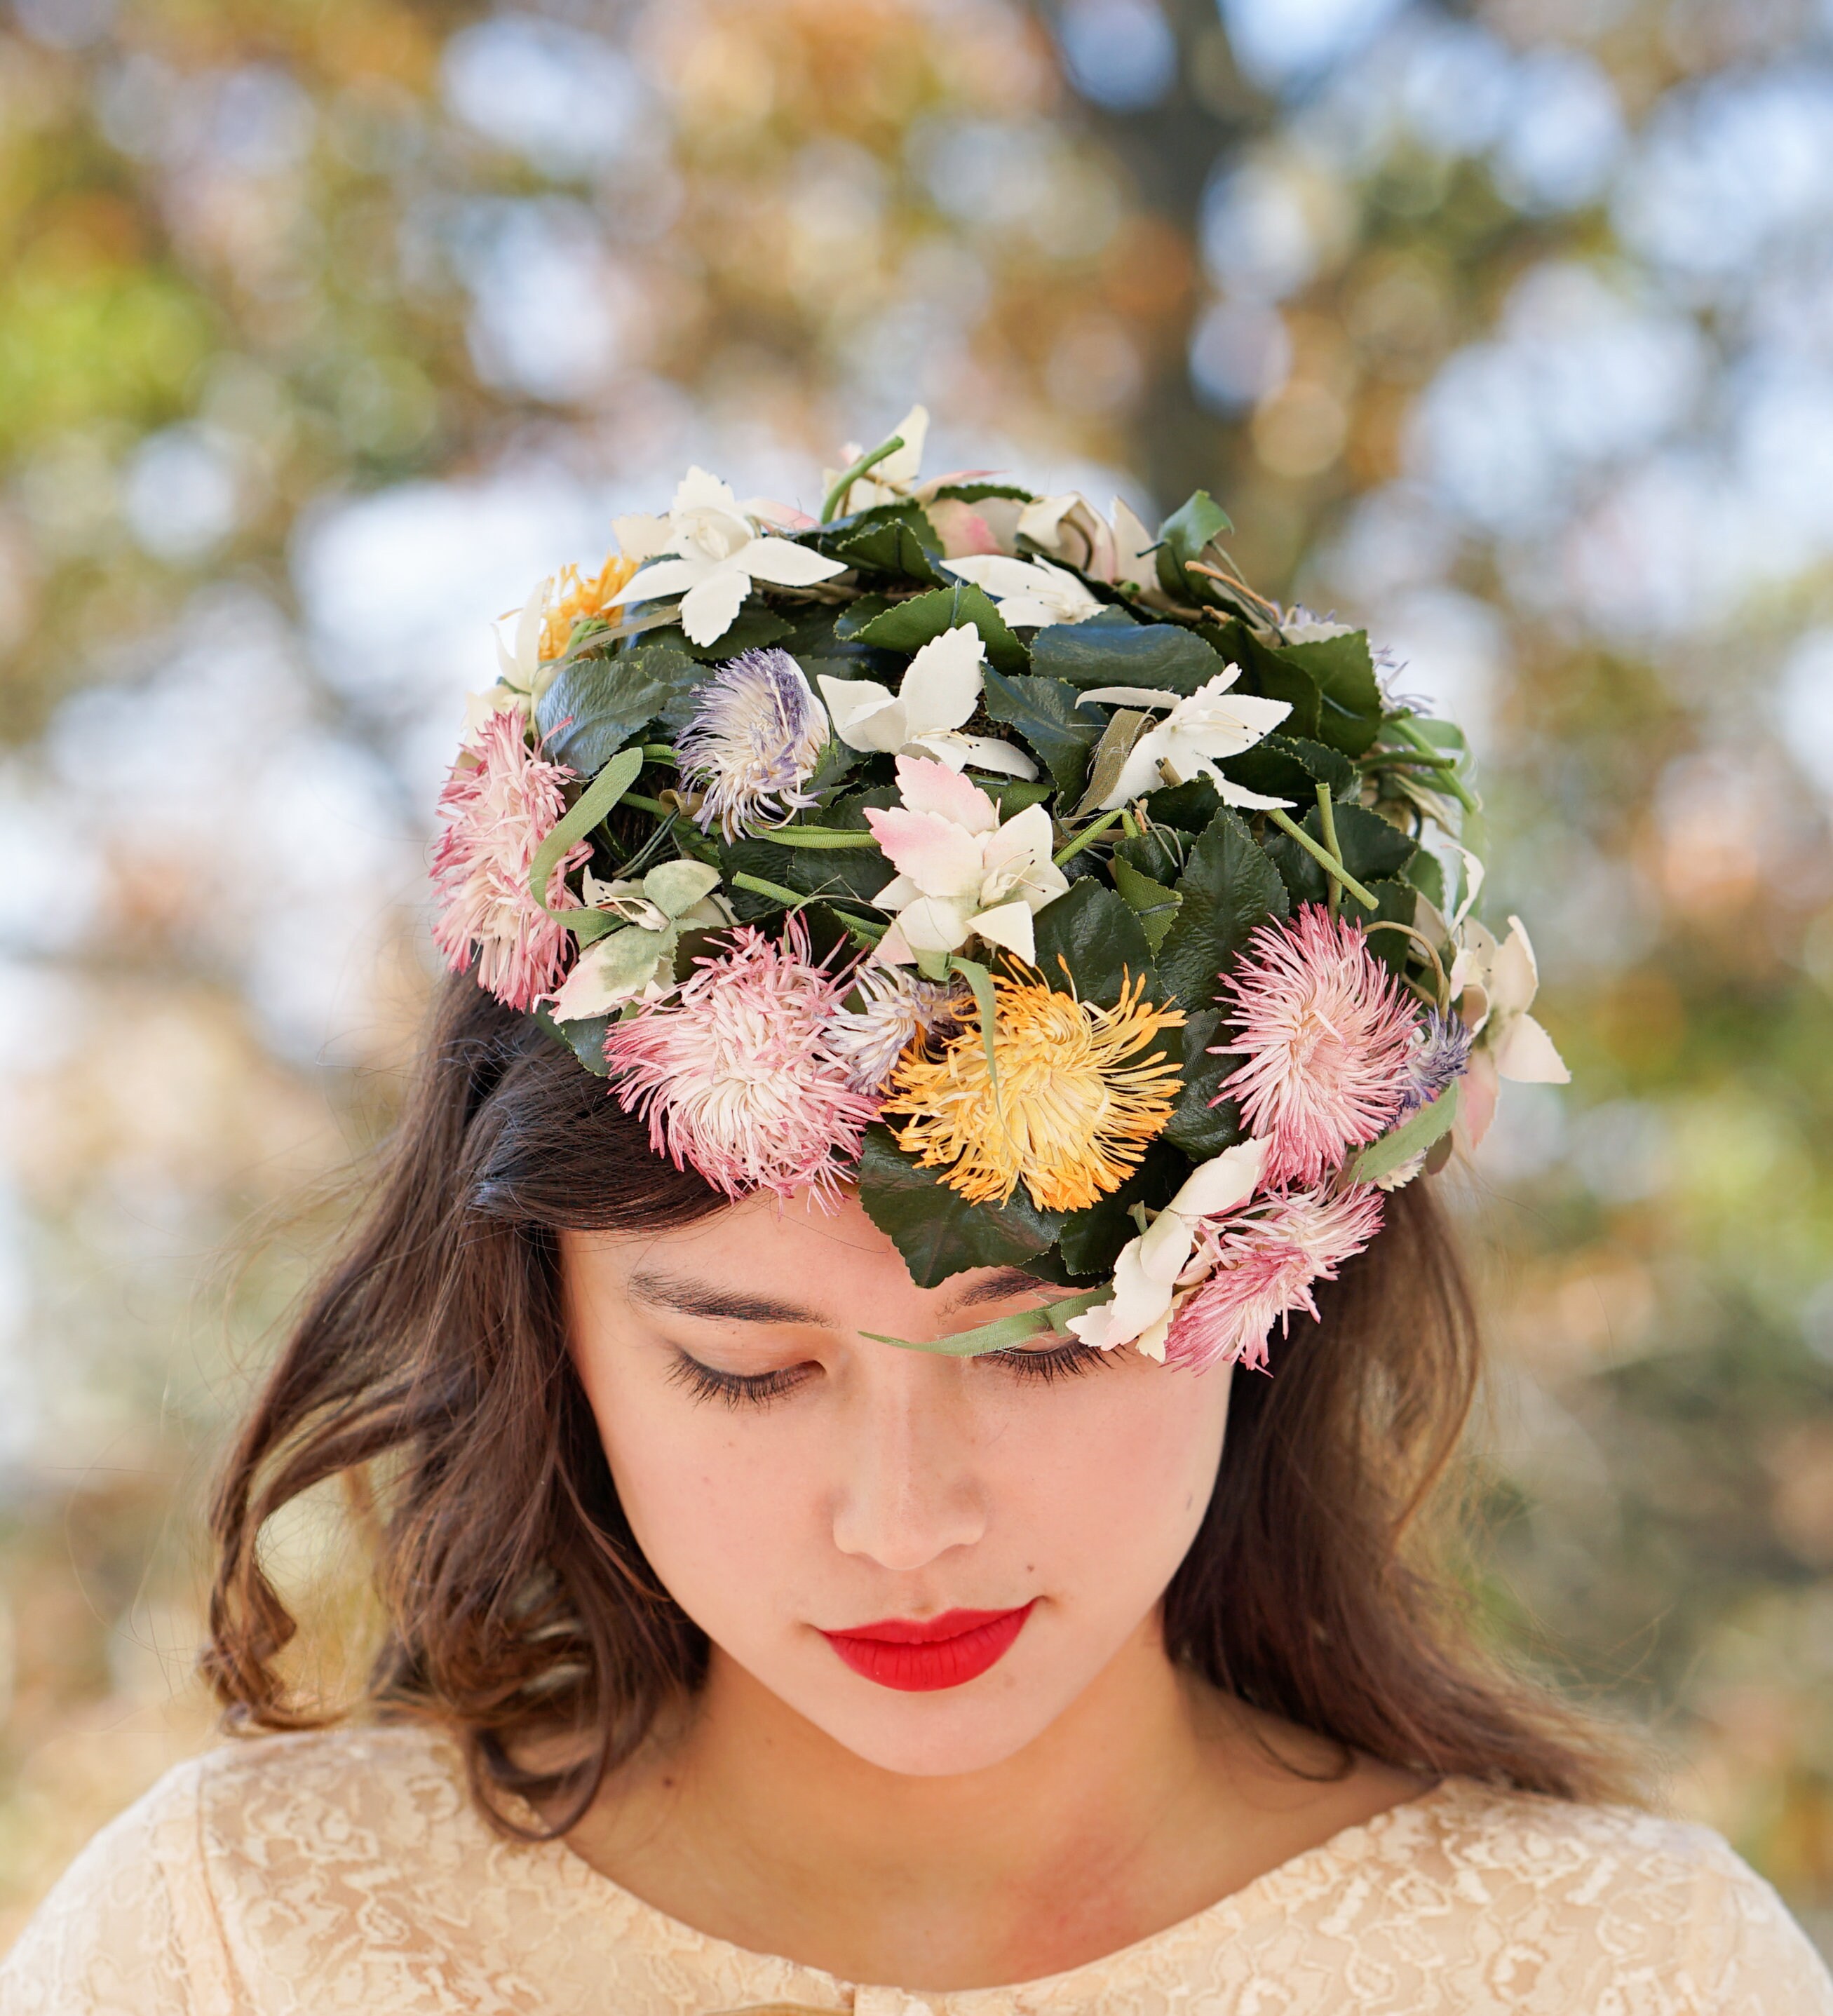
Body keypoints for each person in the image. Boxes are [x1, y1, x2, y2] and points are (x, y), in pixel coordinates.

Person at [5, 436, 1829, 2012]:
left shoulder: (1629, 1968)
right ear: (551, 1322)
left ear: (1263, 1275)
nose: (904, 1520)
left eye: (1041, 1343)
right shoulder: (238, 1942)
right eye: (742, 1367)